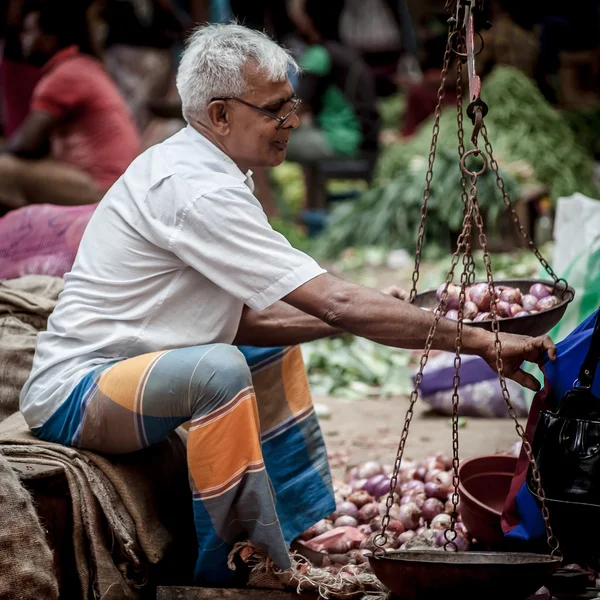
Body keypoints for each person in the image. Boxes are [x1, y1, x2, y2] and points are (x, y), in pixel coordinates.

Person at [20, 23, 556, 585]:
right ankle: (234, 565)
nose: (293, 121)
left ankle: (295, 519)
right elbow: (337, 300)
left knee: (267, 352)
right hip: (77, 393)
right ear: (222, 115)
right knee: (221, 370)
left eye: (291, 104)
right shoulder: (197, 189)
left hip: (132, 371)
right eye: (276, 109)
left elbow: (250, 319)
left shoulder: (208, 166)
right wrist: (481, 341)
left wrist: (344, 320)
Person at [0, 0, 140, 213]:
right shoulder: (82, 65)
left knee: (4, 171)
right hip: (118, 184)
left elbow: (24, 145)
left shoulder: (64, 75)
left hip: (102, 188)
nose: (23, 40)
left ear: (49, 39)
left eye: (29, 32)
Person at [286, 0, 380, 164]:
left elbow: (297, 108)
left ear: (309, 18)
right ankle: (314, 190)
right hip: (364, 137)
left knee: (260, 143)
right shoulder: (345, 51)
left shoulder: (319, 55)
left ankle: (261, 191)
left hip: (342, 140)